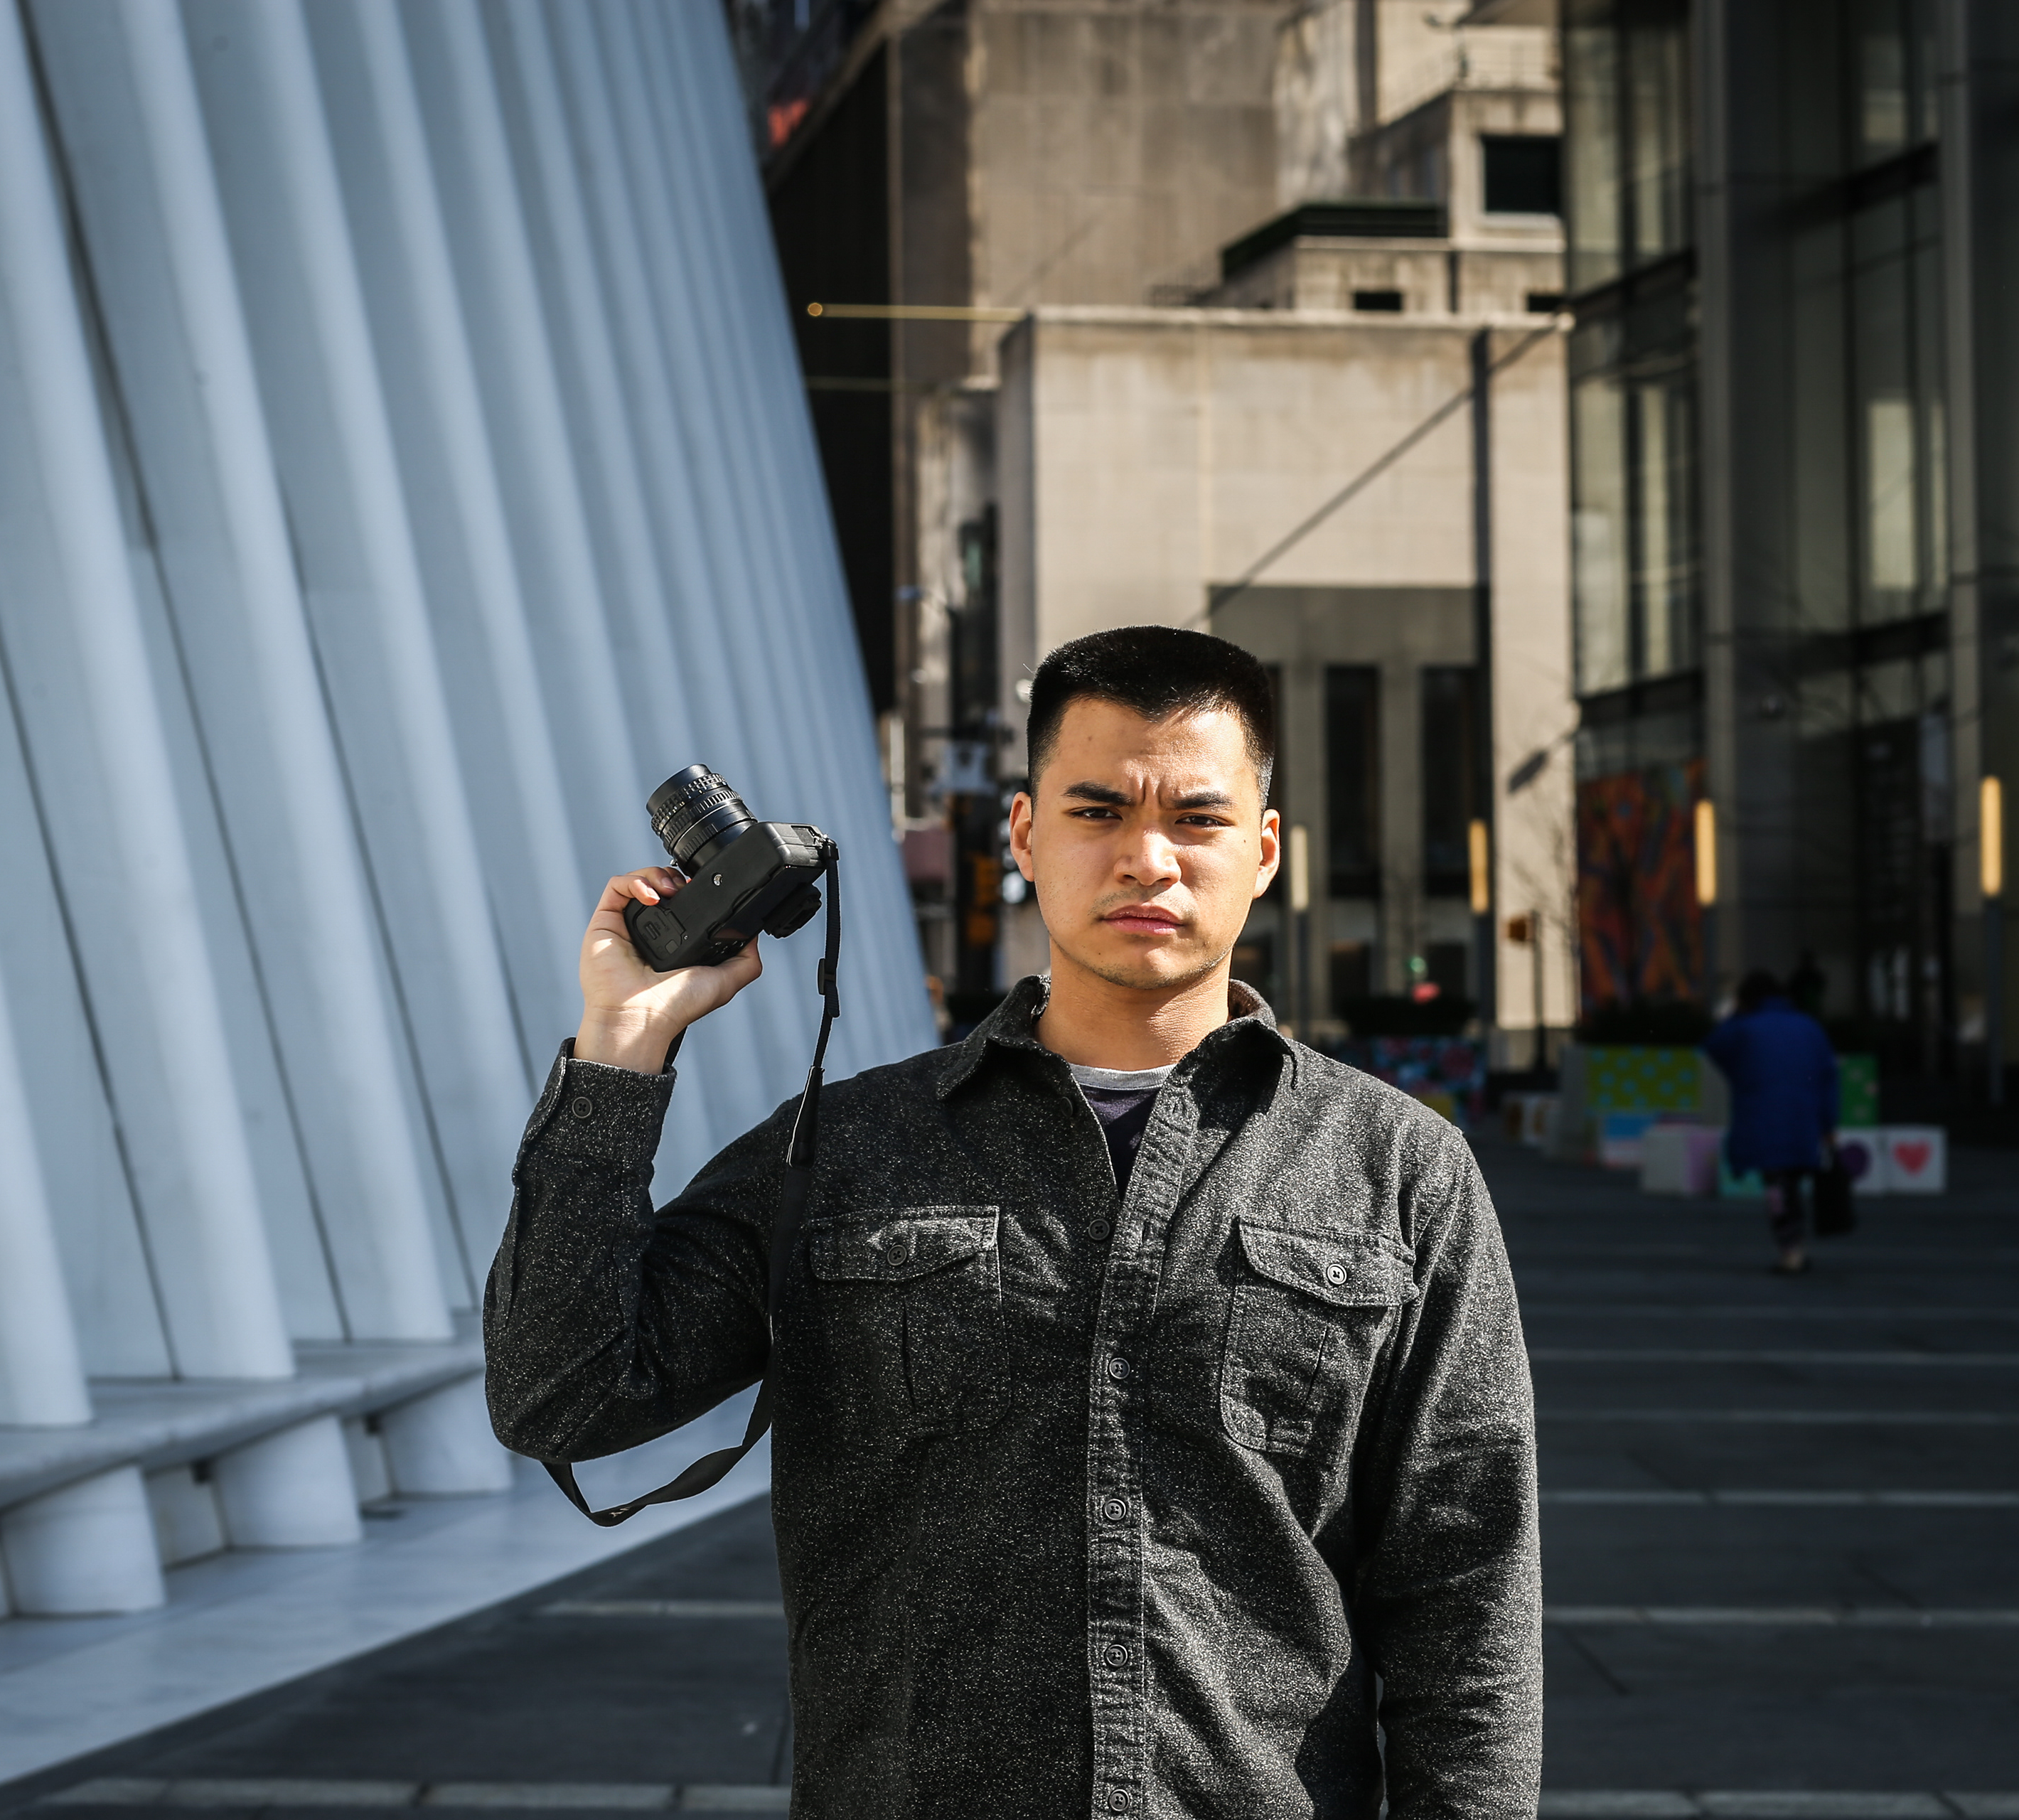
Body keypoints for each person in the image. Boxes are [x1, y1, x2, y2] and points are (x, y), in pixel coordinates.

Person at [481, 626, 1541, 1819]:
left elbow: (1467, 1595)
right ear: (1028, 836)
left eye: (1196, 819)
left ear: (1265, 850)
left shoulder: (1399, 1170)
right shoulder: (845, 1145)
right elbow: (558, 1397)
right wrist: (625, 1049)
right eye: (1097, 812)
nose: (1148, 859)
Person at [1703, 968, 1841, 1275]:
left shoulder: (1744, 1029)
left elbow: (1714, 1046)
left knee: (1777, 1186)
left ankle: (1790, 1249)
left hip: (1764, 1121)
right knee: (1792, 1183)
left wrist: (1736, 1015)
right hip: (1805, 1121)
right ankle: (1796, 1245)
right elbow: (1828, 1078)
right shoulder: (1809, 1027)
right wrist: (1829, 1125)